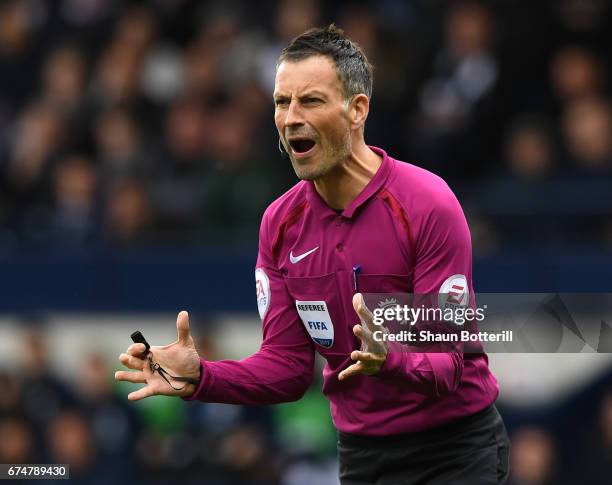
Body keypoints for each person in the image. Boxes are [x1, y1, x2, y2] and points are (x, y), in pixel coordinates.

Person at [116, 25, 510, 484]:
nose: (291, 118)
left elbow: (447, 365)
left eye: (311, 101)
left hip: (455, 451)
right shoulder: (279, 225)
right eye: (282, 103)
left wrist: (392, 359)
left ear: (357, 110)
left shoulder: (427, 204)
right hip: (362, 457)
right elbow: (286, 368)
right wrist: (202, 377)